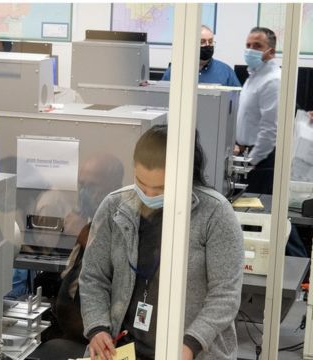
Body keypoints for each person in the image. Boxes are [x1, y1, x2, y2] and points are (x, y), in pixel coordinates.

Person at [79, 125, 243, 360]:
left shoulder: (215, 214)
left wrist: (191, 343)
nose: (148, 195)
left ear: (185, 176)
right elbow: (93, 276)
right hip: (123, 348)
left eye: (160, 189)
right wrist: (97, 327)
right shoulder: (114, 207)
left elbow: (225, 295)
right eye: (141, 183)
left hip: (191, 351)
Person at [235, 27, 280, 194]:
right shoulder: (254, 76)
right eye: (248, 45)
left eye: (257, 46)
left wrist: (252, 161)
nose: (250, 50)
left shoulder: (272, 80)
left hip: (260, 161)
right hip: (246, 155)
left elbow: (269, 129)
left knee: (255, 212)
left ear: (271, 52)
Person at [161, 25, 241, 87]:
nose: (207, 45)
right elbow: (161, 96)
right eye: (202, 42)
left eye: (210, 41)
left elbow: (238, 100)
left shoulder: (226, 71)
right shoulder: (176, 70)